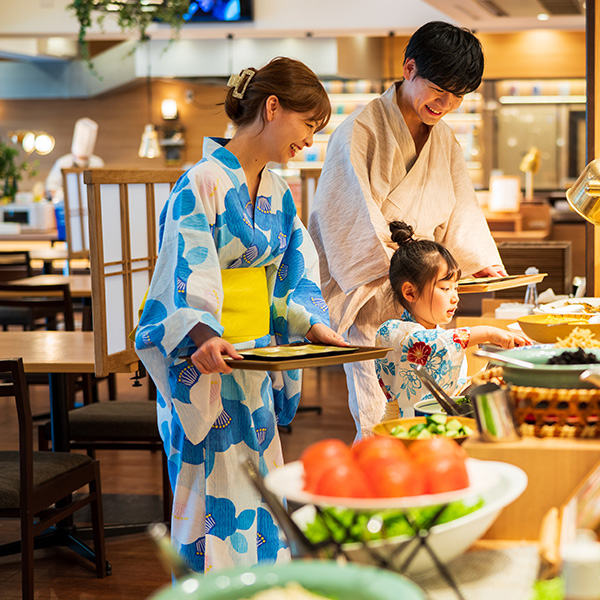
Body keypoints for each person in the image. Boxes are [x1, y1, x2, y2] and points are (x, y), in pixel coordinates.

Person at [134, 57, 345, 573]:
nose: (310, 142)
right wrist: (201, 331)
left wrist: (312, 322)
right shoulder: (201, 182)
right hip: (205, 363)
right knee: (210, 507)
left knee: (262, 500)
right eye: (308, 126)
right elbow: (183, 268)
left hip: (253, 367)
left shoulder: (278, 193)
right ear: (272, 108)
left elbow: (294, 271)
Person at [309, 21, 506, 438]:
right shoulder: (358, 132)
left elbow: (461, 206)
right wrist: (409, 279)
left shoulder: (445, 139)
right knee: (382, 417)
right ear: (409, 68)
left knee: (438, 410)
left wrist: (480, 262)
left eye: (458, 96)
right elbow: (348, 217)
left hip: (427, 300)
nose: (447, 103)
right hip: (379, 296)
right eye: (440, 89)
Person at [375, 221, 530, 418]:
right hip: (407, 423)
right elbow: (429, 343)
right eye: (445, 288)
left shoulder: (439, 334)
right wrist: (488, 333)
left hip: (442, 418)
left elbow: (452, 389)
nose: (455, 297)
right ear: (410, 292)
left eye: (456, 287)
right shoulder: (393, 331)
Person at [45, 117, 105, 200]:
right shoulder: (63, 162)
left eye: (84, 159)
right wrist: (61, 196)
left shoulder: (97, 163)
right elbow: (51, 186)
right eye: (80, 158)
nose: (82, 162)